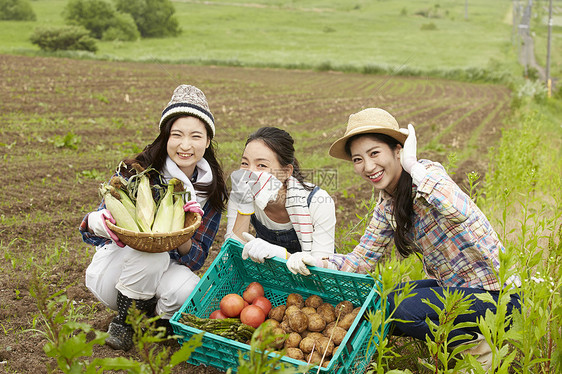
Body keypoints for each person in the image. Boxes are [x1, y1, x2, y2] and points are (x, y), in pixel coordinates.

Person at [316, 108, 521, 369]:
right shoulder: (388, 207)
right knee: (380, 300)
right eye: (358, 159)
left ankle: (480, 349)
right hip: (453, 289)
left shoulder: (427, 176)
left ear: (397, 151)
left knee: (399, 309)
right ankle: (451, 346)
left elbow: (460, 211)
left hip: (497, 295)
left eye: (375, 153)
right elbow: (360, 260)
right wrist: (306, 259)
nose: (368, 167)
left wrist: (413, 166)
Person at [79, 84, 228, 351]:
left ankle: (155, 320)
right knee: (152, 254)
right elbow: (88, 232)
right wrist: (100, 222)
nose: (186, 145)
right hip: (118, 271)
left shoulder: (210, 191)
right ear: (165, 136)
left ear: (207, 141)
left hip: (161, 271)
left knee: (188, 290)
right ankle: (124, 322)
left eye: (196, 136)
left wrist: (184, 231)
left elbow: (196, 259)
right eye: (177, 135)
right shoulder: (139, 171)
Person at [226, 127, 336, 276]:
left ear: (286, 172)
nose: (249, 174)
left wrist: (280, 255)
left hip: (313, 283)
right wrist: (244, 207)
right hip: (271, 276)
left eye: (261, 165)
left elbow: (323, 273)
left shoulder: (317, 202)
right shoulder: (241, 193)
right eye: (245, 163)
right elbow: (231, 257)